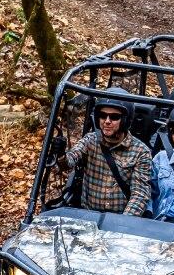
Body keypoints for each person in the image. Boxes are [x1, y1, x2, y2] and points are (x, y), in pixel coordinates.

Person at [54, 88, 151, 216]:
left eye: (114, 117)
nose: (107, 121)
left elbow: (139, 194)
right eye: (102, 115)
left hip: (120, 219)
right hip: (88, 216)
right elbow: (69, 162)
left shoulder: (140, 151)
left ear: (125, 120)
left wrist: (124, 222)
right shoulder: (91, 140)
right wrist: (60, 154)